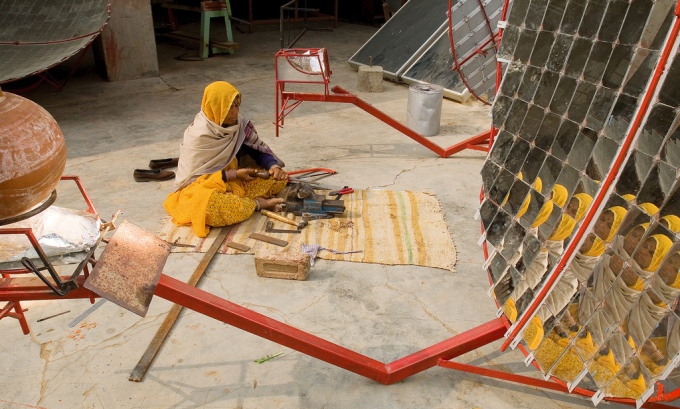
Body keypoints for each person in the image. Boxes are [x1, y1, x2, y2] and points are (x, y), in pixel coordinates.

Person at [164, 81, 288, 237]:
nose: (235, 112)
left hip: (234, 183)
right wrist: (233, 174)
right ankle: (257, 203)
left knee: (279, 180)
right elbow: (195, 180)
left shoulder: (240, 125)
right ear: (215, 106)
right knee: (211, 206)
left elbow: (258, 151)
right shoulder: (198, 136)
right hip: (200, 188)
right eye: (230, 107)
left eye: (237, 105)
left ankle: (243, 202)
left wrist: (273, 166)